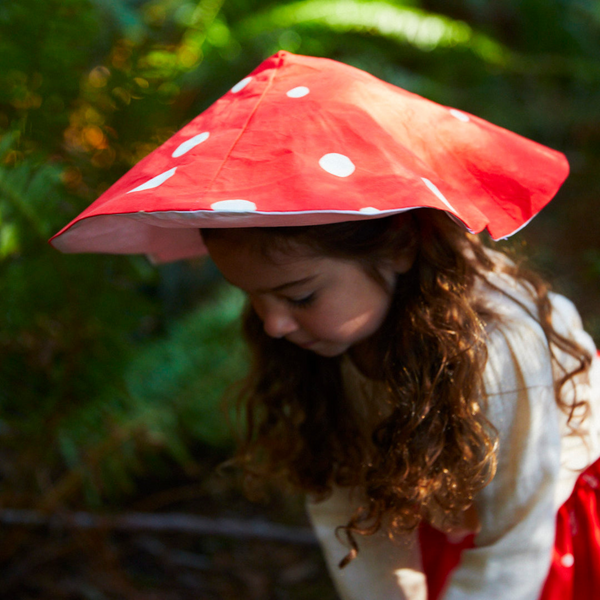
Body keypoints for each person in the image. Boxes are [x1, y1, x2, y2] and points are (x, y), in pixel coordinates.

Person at [50, 52, 600, 599]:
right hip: (444, 513)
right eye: (253, 299)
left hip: (547, 527)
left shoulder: (497, 341)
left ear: (402, 246)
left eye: (300, 296)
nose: (273, 326)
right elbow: (348, 499)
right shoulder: (325, 345)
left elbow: (517, 533)